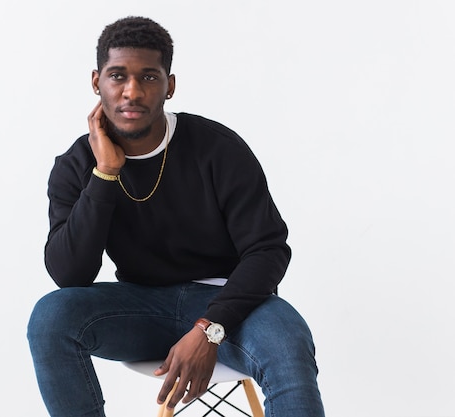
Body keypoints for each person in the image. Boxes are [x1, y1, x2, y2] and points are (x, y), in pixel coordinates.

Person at [27, 16, 325, 417]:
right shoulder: (78, 165)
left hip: (232, 303)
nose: (132, 91)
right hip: (140, 306)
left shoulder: (216, 148)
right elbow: (70, 275)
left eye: (148, 77)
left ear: (169, 85)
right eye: (118, 76)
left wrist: (209, 329)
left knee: (288, 342)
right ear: (97, 82)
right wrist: (105, 174)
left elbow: (268, 250)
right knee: (50, 317)